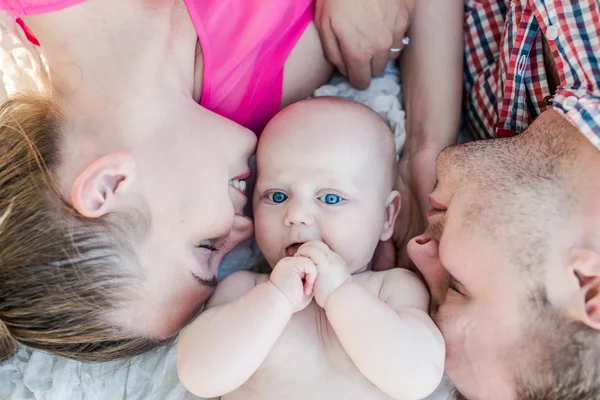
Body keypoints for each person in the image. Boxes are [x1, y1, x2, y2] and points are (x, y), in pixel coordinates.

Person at [0, 0, 462, 363]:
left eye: (206, 248)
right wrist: (425, 149)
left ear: (108, 186)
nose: (244, 230)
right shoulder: (256, 98)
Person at [394, 1, 600, 398]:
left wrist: (422, 148)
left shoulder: (510, 143)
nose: (417, 252)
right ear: (587, 284)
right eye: (456, 288)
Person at [177, 98, 444, 400]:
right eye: (277, 196)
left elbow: (419, 378)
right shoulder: (244, 290)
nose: (296, 215)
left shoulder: (393, 288)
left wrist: (341, 293)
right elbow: (197, 375)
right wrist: (276, 299)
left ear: (386, 217)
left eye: (330, 198)